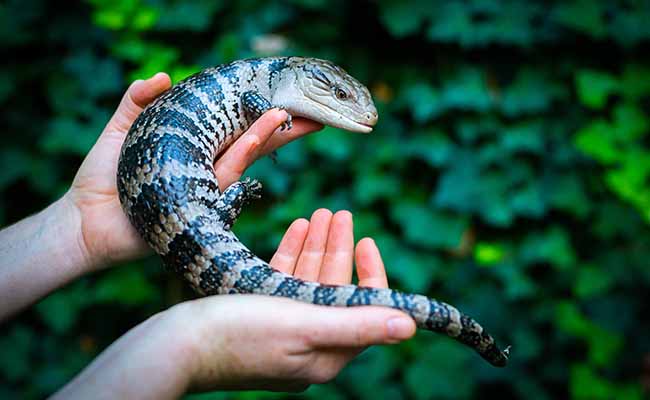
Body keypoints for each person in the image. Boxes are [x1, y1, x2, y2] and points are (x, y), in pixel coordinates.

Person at [0, 73, 416, 398]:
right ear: (310, 79)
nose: (361, 110)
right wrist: (197, 345)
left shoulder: (264, 86)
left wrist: (75, 227)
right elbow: (256, 105)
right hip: (180, 198)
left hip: (174, 197)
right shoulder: (263, 86)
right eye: (341, 96)